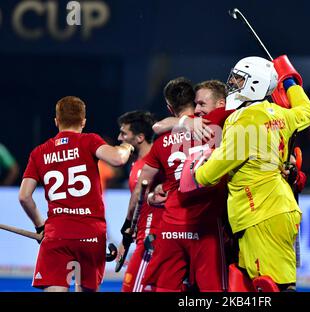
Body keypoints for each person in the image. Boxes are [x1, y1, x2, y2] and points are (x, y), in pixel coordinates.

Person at [193, 56, 310, 291]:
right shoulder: (280, 114)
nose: (232, 84)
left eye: (239, 79)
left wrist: (195, 170)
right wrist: (290, 83)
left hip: (261, 212)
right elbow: (307, 112)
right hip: (276, 208)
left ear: (256, 83)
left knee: (270, 287)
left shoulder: (244, 121)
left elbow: (208, 174)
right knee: (254, 283)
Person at [123, 77, 232, 292]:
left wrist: (151, 198)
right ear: (194, 101)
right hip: (206, 226)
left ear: (169, 107)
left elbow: (141, 187)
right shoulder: (215, 125)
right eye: (198, 104)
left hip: (172, 227)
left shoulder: (161, 141)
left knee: (165, 288)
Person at [18, 96, 134, 292]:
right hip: (91, 233)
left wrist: (40, 227)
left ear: (56, 121)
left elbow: (24, 197)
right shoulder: (89, 140)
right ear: (83, 122)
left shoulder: (39, 152)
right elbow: (118, 159)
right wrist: (126, 146)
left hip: (57, 234)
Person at [115, 110, 165, 292]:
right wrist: (126, 238)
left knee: (131, 289)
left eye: (124, 133)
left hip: (154, 237)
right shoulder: (135, 163)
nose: (119, 138)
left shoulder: (158, 161)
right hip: (142, 234)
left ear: (140, 137)